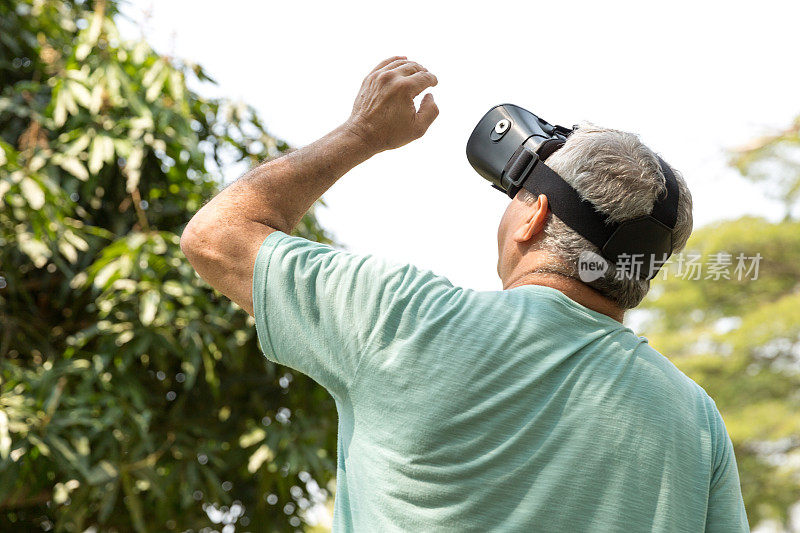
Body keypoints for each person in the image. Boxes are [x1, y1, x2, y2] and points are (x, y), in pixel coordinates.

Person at [181, 56, 750, 532]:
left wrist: (363, 134)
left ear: (535, 218)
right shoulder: (694, 420)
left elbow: (215, 236)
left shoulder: (404, 318)